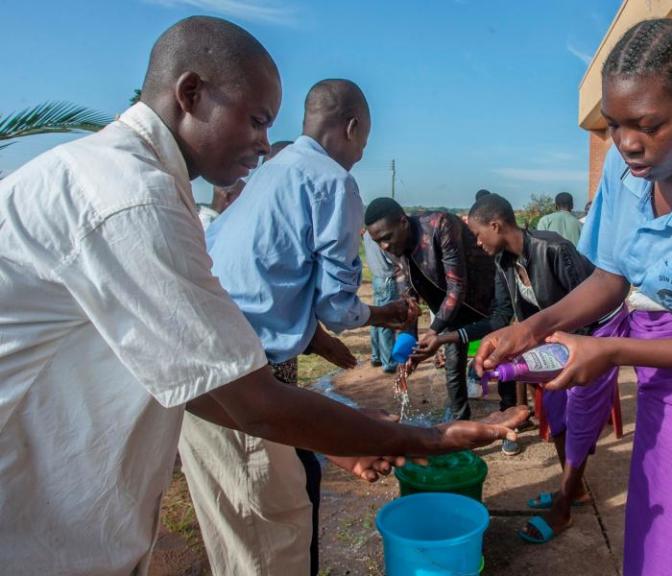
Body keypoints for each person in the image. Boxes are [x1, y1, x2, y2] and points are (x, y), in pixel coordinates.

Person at [0, 17, 526, 576]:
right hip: (39, 524)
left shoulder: (139, 181)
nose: (263, 142)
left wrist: (335, 432)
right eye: (254, 121)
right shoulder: (131, 201)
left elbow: (190, 376)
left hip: (112, 476)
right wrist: (428, 436)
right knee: (269, 548)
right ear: (190, 93)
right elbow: (251, 394)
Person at [476, 18, 672, 575]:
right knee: (652, 549)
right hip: (660, 391)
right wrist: (532, 328)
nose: (627, 142)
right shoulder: (625, 178)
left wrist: (614, 352)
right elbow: (612, 277)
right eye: (614, 124)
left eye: (648, 124)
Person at [178, 79, 430, 576]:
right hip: (245, 380)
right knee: (269, 540)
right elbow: (337, 305)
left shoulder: (269, 174)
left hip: (214, 373)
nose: (360, 154)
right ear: (353, 127)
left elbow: (258, 283)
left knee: (270, 513)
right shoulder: (333, 182)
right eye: (364, 141)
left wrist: (320, 343)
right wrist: (384, 315)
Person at [467, 193, 628, 542]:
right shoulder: (505, 263)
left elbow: (592, 304)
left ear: (496, 225)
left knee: (580, 417)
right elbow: (502, 316)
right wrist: (476, 344)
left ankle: (563, 509)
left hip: (597, 334)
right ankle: (576, 490)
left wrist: (553, 354)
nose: (477, 243)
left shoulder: (552, 248)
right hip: (555, 342)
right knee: (555, 414)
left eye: (479, 234)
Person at [365, 198, 497, 421]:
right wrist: (408, 353)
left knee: (498, 358)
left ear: (403, 222)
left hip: (485, 302)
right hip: (450, 311)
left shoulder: (440, 225)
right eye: (378, 242)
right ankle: (459, 422)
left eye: (387, 237)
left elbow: (457, 286)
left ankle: (511, 415)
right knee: (453, 368)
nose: (384, 246)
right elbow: (409, 300)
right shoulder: (394, 248)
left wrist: (434, 330)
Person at [365, 228, 401, 373]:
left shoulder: (368, 233)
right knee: (387, 319)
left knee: (376, 318)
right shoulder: (382, 233)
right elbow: (390, 257)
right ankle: (389, 362)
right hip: (387, 278)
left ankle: (376, 357)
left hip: (377, 277)